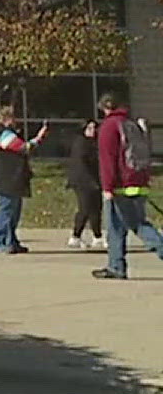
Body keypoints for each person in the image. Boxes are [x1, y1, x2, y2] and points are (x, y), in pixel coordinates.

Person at [93, 92, 163, 280]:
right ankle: (115, 265)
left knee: (138, 225)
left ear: (107, 107)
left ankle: (118, 265)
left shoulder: (109, 127)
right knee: (116, 227)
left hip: (121, 186)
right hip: (138, 182)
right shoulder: (131, 124)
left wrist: (107, 187)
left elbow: (108, 159)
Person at [0, 104, 45, 254]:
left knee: (14, 211)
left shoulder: (6, 132)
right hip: (5, 179)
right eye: (12, 116)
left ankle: (11, 240)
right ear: (5, 118)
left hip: (11, 178)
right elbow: (22, 147)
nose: (15, 119)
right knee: (5, 211)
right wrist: (38, 138)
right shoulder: (3, 133)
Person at [65, 120, 106, 250]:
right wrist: (91, 182)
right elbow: (81, 165)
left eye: (94, 128)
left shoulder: (95, 143)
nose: (92, 130)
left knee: (96, 209)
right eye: (89, 128)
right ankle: (75, 237)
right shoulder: (81, 143)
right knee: (85, 208)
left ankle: (97, 237)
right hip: (82, 182)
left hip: (94, 181)